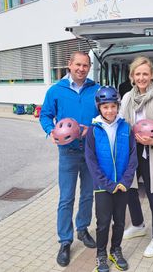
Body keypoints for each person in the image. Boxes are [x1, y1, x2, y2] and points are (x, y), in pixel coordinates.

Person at [39, 51, 100, 267]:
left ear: (89, 67)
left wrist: (93, 129)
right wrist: (51, 131)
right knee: (66, 198)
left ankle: (82, 229)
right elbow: (45, 115)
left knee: (87, 196)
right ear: (69, 65)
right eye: (78, 65)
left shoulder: (96, 89)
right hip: (68, 153)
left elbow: (105, 115)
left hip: (90, 152)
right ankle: (65, 241)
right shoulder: (56, 91)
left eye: (85, 65)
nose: (81, 69)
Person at [119, 56, 153, 258]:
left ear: (151, 75)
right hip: (132, 152)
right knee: (130, 190)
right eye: (137, 74)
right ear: (132, 76)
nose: (141, 77)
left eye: (145, 73)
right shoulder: (126, 98)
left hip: (152, 152)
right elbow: (121, 123)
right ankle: (138, 224)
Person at [85, 86, 138, 272]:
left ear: (118, 106)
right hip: (103, 187)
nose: (110, 110)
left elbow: (133, 157)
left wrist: (125, 181)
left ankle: (115, 250)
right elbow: (91, 161)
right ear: (99, 107)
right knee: (103, 223)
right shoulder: (93, 130)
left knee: (120, 222)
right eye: (105, 107)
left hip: (122, 186)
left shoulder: (125, 127)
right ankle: (101, 254)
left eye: (113, 106)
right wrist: (108, 184)